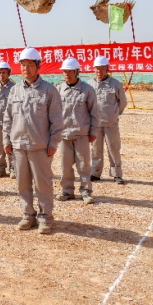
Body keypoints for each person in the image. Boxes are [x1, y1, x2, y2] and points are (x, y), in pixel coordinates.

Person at [4, 47, 63, 235]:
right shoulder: (15, 91)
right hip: (18, 146)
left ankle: (45, 217)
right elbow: (8, 118)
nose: (26, 69)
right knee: (22, 184)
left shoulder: (49, 91)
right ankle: (27, 215)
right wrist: (7, 140)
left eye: (30, 65)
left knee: (42, 184)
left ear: (38, 66)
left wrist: (53, 143)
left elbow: (57, 120)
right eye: (23, 65)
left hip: (39, 146)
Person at [56, 58, 99, 205]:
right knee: (65, 165)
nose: (67, 74)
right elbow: (53, 112)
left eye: (70, 71)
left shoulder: (87, 90)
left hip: (81, 134)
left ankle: (86, 191)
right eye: (64, 71)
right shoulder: (59, 90)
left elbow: (94, 112)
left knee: (84, 165)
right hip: (64, 134)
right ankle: (67, 190)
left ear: (76, 72)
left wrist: (93, 131)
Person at [89, 56, 128, 185]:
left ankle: (117, 174)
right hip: (95, 124)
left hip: (111, 124)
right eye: (97, 69)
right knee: (96, 149)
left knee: (114, 148)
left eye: (101, 69)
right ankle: (95, 173)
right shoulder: (90, 84)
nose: (99, 71)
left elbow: (122, 102)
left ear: (107, 69)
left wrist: (114, 114)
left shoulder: (115, 84)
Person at [0, 63, 16, 178]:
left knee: (11, 145)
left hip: (11, 123)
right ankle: (0, 168)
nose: (1, 75)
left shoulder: (14, 88)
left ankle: (13, 168)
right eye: (0, 73)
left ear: (8, 73)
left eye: (4, 72)